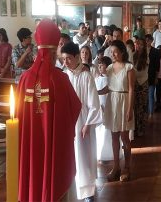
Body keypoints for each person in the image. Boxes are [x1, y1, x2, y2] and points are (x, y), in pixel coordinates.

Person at [17, 19, 81, 202]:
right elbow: (74, 108)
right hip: (54, 148)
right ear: (54, 52)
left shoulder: (24, 79)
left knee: (32, 174)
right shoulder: (60, 79)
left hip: (30, 145)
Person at [61, 42, 102, 202]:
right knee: (71, 157)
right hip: (68, 122)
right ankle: (72, 189)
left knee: (84, 156)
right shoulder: (64, 76)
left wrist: (87, 124)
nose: (65, 63)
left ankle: (88, 192)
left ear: (77, 57)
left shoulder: (86, 76)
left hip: (83, 120)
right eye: (63, 59)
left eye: (69, 59)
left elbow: (94, 104)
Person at [103, 40, 135, 182]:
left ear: (122, 52)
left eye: (115, 52)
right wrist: (95, 91)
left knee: (125, 137)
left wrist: (129, 109)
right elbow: (108, 87)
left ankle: (126, 167)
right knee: (114, 137)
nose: (113, 54)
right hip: (112, 102)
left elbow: (132, 89)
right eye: (111, 52)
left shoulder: (129, 67)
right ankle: (116, 167)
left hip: (124, 101)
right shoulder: (109, 67)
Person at [133, 38, 149, 136]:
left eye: (141, 45)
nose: (139, 46)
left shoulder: (146, 57)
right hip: (134, 83)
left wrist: (132, 72)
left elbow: (141, 72)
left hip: (143, 83)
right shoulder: (133, 55)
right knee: (134, 106)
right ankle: (134, 128)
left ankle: (141, 128)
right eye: (137, 44)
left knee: (142, 107)